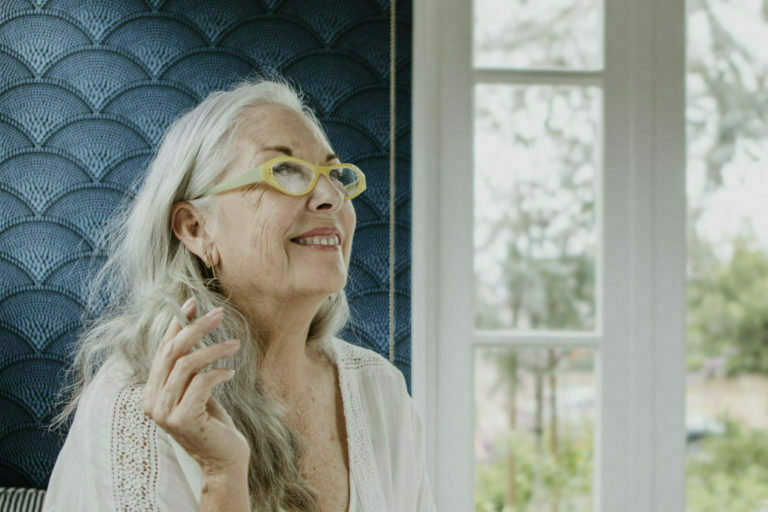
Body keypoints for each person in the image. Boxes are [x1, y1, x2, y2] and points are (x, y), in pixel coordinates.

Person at [42, 75, 436, 512]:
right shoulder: (137, 402)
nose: (329, 196)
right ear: (196, 228)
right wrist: (220, 476)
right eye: (284, 170)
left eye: (333, 174)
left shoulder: (381, 391)